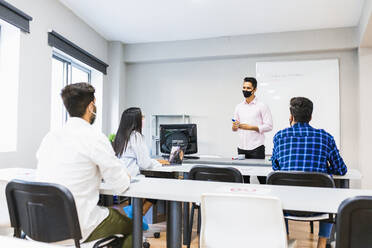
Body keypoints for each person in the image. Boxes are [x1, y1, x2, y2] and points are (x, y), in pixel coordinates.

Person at [36, 83, 133, 248]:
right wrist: (126, 175)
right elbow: (120, 184)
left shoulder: (50, 137)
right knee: (132, 227)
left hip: (40, 225)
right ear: (90, 107)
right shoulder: (94, 137)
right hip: (77, 226)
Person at [271, 97, 347, 248]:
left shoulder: (279, 137)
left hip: (287, 206)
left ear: (291, 117)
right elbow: (341, 169)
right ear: (310, 117)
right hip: (318, 207)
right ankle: (322, 242)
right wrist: (324, 172)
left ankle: (285, 239)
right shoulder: (325, 137)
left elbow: (275, 167)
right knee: (329, 189)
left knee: (281, 187)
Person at [112, 107, 168, 218]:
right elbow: (144, 164)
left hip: (120, 177)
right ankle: (136, 215)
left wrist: (154, 161)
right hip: (133, 178)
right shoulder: (136, 136)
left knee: (152, 185)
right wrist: (159, 163)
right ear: (136, 120)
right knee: (158, 187)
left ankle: (134, 216)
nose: (143, 119)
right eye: (141, 117)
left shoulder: (120, 136)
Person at [232, 77, 273, 184]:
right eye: (244, 87)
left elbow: (269, 126)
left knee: (262, 178)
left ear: (254, 89)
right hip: (241, 148)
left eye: (248, 88)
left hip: (256, 148)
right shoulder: (238, 107)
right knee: (244, 178)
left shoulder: (262, 106)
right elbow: (234, 128)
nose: (245, 90)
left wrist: (252, 127)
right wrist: (235, 126)